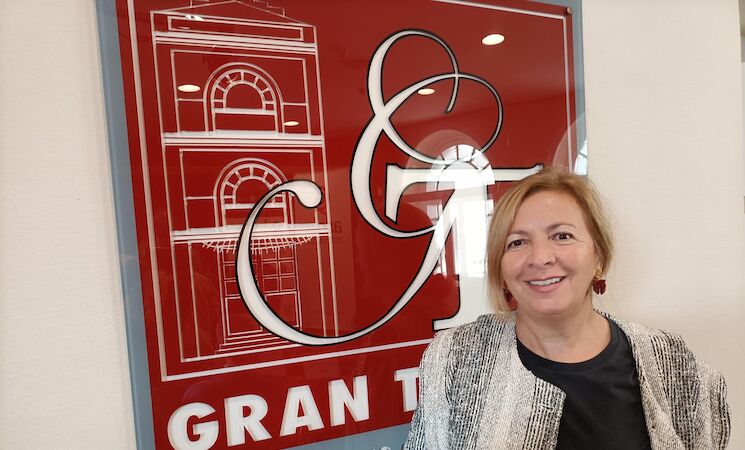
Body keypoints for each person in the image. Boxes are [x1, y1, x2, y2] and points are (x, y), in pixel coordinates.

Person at [403, 167, 730, 449]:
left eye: (562, 236)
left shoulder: (671, 362)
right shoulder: (454, 359)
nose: (540, 258)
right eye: (517, 242)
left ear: (599, 256)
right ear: (500, 269)